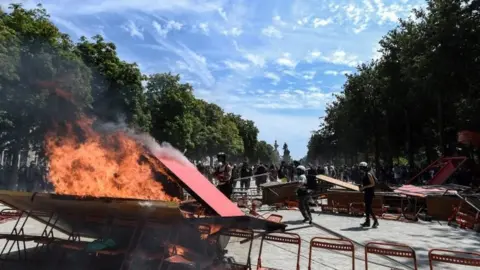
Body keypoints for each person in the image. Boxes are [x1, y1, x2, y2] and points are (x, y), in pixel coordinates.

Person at [359, 162, 379, 228]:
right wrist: (362, 187)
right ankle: (367, 221)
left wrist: (364, 187)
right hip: (367, 192)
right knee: (367, 208)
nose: (360, 169)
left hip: (370, 193)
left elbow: (373, 184)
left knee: (369, 208)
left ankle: (376, 221)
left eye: (361, 167)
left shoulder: (369, 174)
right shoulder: (365, 174)